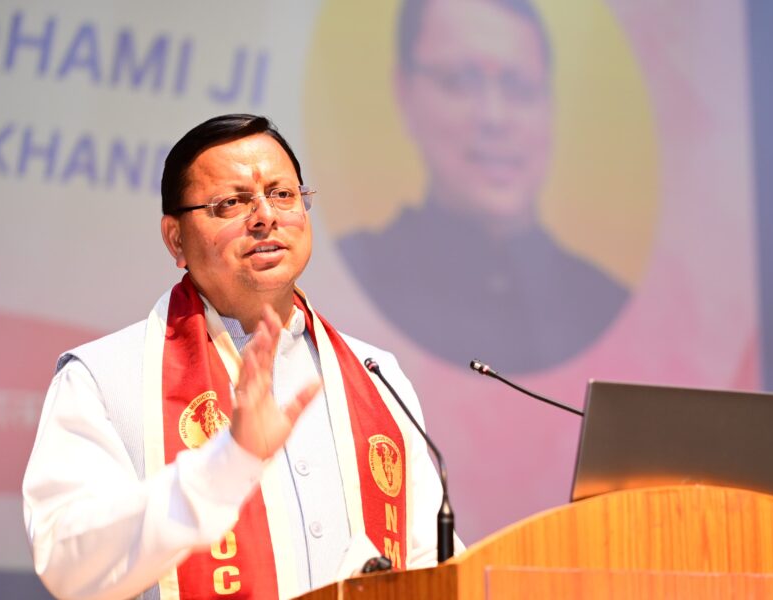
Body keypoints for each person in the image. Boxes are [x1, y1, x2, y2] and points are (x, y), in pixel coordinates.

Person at [22, 114, 453, 600]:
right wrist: (228, 463)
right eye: (231, 202)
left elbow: (431, 565)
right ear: (176, 239)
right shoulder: (102, 379)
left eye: (283, 194)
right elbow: (68, 566)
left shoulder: (376, 375)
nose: (265, 216)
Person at [339, 0, 630, 374]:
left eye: (520, 87)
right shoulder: (347, 281)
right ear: (405, 93)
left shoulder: (602, 304)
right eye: (460, 81)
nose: (495, 117)